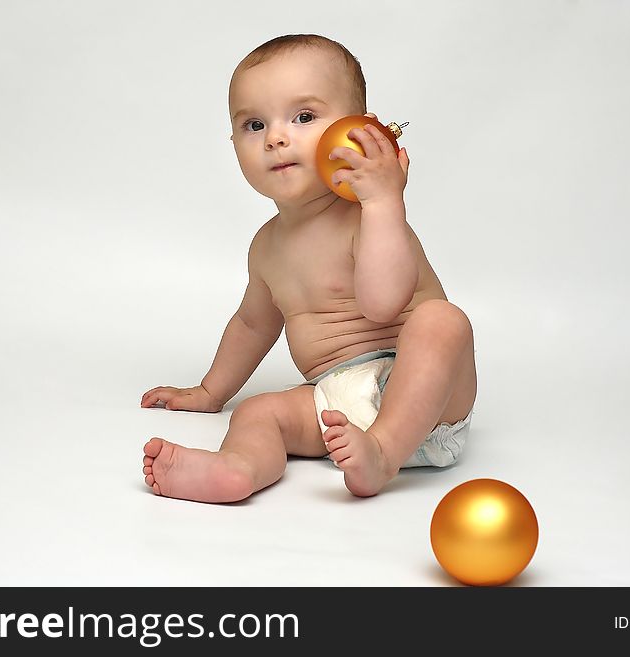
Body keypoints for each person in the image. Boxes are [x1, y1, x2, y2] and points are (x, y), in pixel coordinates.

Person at [141, 34, 477, 503]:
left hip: (423, 398)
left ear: (357, 130)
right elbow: (252, 323)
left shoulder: (370, 217)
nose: (276, 138)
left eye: (304, 117)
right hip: (332, 399)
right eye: (254, 124)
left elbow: (383, 305)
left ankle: (383, 452)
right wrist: (210, 391)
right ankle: (239, 468)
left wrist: (383, 200)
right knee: (259, 412)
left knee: (443, 321)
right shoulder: (266, 245)